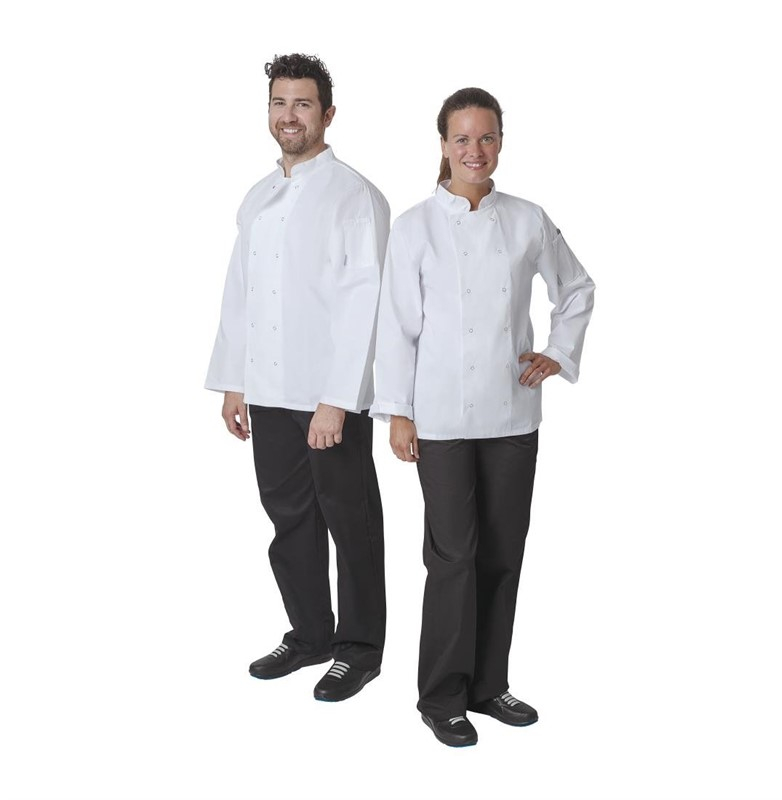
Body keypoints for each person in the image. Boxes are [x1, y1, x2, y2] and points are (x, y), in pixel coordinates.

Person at [370, 87, 594, 746]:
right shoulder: (414, 226)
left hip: (511, 416)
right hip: (438, 419)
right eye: (462, 138)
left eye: (487, 137)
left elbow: (577, 288)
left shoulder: (526, 219)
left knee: (501, 555)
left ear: (501, 142)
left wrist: (557, 352)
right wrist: (398, 412)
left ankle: (489, 685)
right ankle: (441, 696)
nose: (475, 150)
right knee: (452, 559)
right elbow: (396, 326)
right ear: (443, 145)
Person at [205, 53, 389, 702]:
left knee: (351, 524)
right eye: (279, 103)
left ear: (327, 114)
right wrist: (234, 380)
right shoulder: (258, 196)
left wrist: (338, 400)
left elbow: (366, 302)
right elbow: (241, 294)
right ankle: (310, 634)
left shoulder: (355, 196)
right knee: (289, 522)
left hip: (325, 396)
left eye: (302, 103)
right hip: (267, 389)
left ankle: (359, 650)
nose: (289, 115)